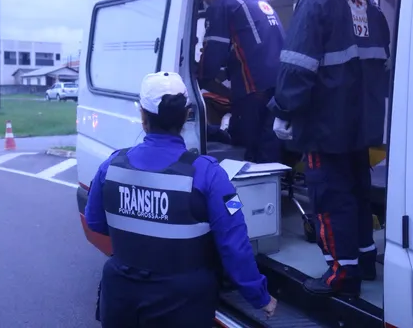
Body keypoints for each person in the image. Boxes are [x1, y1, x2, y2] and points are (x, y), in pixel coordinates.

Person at [84, 71, 278, 327]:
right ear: (187, 115)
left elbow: (95, 222)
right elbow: (234, 244)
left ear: (143, 116)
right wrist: (260, 297)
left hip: (122, 299)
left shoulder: (111, 165)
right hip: (182, 305)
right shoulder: (210, 174)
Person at [269, 0, 391, 296]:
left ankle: (341, 273)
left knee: (327, 198)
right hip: (363, 125)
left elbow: (297, 65)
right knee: (356, 194)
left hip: (324, 126)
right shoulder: (369, 6)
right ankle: (365, 262)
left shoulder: (314, 4)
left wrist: (283, 110)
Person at [198, 0, 284, 163]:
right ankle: (272, 188)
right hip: (278, 82)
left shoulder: (222, 5)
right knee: (269, 141)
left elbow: (213, 53)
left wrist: (200, 75)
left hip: (253, 86)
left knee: (247, 143)